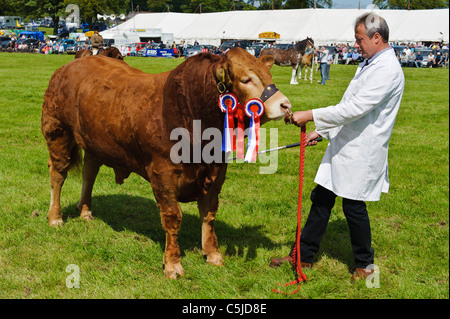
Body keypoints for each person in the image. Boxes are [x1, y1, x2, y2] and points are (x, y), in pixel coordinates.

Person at [270, 12, 405, 282]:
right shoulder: (370, 63)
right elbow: (348, 105)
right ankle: (303, 256)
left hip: (362, 150)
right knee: (321, 199)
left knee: (353, 206)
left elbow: (356, 109)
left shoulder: (387, 70)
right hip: (345, 144)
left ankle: (365, 265)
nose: (356, 44)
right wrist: (322, 131)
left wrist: (310, 115)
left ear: (376, 38)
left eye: (359, 39)